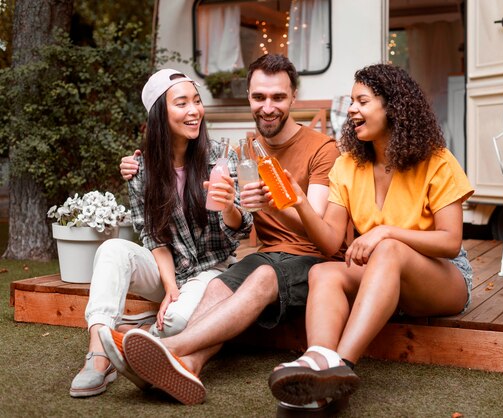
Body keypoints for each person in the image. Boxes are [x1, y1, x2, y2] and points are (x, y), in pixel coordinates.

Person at [110, 54, 342, 406]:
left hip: (310, 261)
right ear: (248, 96)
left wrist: (278, 201)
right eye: (258, 97)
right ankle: (187, 366)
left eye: (278, 97)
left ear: (294, 96)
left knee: (262, 277)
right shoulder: (247, 150)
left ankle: (167, 348)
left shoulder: (322, 150)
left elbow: (322, 236)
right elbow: (224, 202)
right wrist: (137, 163)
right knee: (219, 287)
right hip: (266, 255)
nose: (267, 107)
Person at [267, 64, 474, 412]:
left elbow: (450, 241)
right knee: (324, 272)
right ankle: (318, 358)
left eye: (361, 101)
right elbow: (331, 242)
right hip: (383, 278)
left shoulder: (437, 161)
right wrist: (299, 203)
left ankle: (340, 368)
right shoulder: (348, 165)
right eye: (351, 101)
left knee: (390, 248)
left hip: (442, 277)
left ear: (392, 106)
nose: (350, 109)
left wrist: (385, 232)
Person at [69, 69, 253, 398]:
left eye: (197, 101)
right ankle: (98, 353)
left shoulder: (221, 157)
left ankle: (138, 330)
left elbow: (237, 233)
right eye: (181, 103)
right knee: (112, 250)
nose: (194, 110)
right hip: (167, 269)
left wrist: (229, 207)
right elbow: (153, 237)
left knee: (176, 324)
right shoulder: (142, 170)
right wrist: (169, 288)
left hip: (210, 271)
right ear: (159, 114)